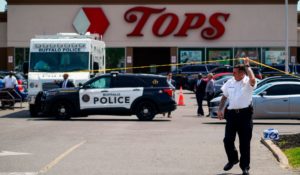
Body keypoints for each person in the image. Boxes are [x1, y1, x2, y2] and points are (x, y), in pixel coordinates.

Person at [217, 57, 256, 175]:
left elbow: (253, 79)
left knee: (244, 143)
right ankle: (232, 159)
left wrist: (247, 66)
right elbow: (224, 96)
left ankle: (245, 167)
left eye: (234, 72)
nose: (232, 74)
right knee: (227, 140)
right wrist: (220, 109)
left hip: (245, 115)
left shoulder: (248, 82)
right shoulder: (230, 82)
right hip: (232, 114)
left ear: (242, 73)